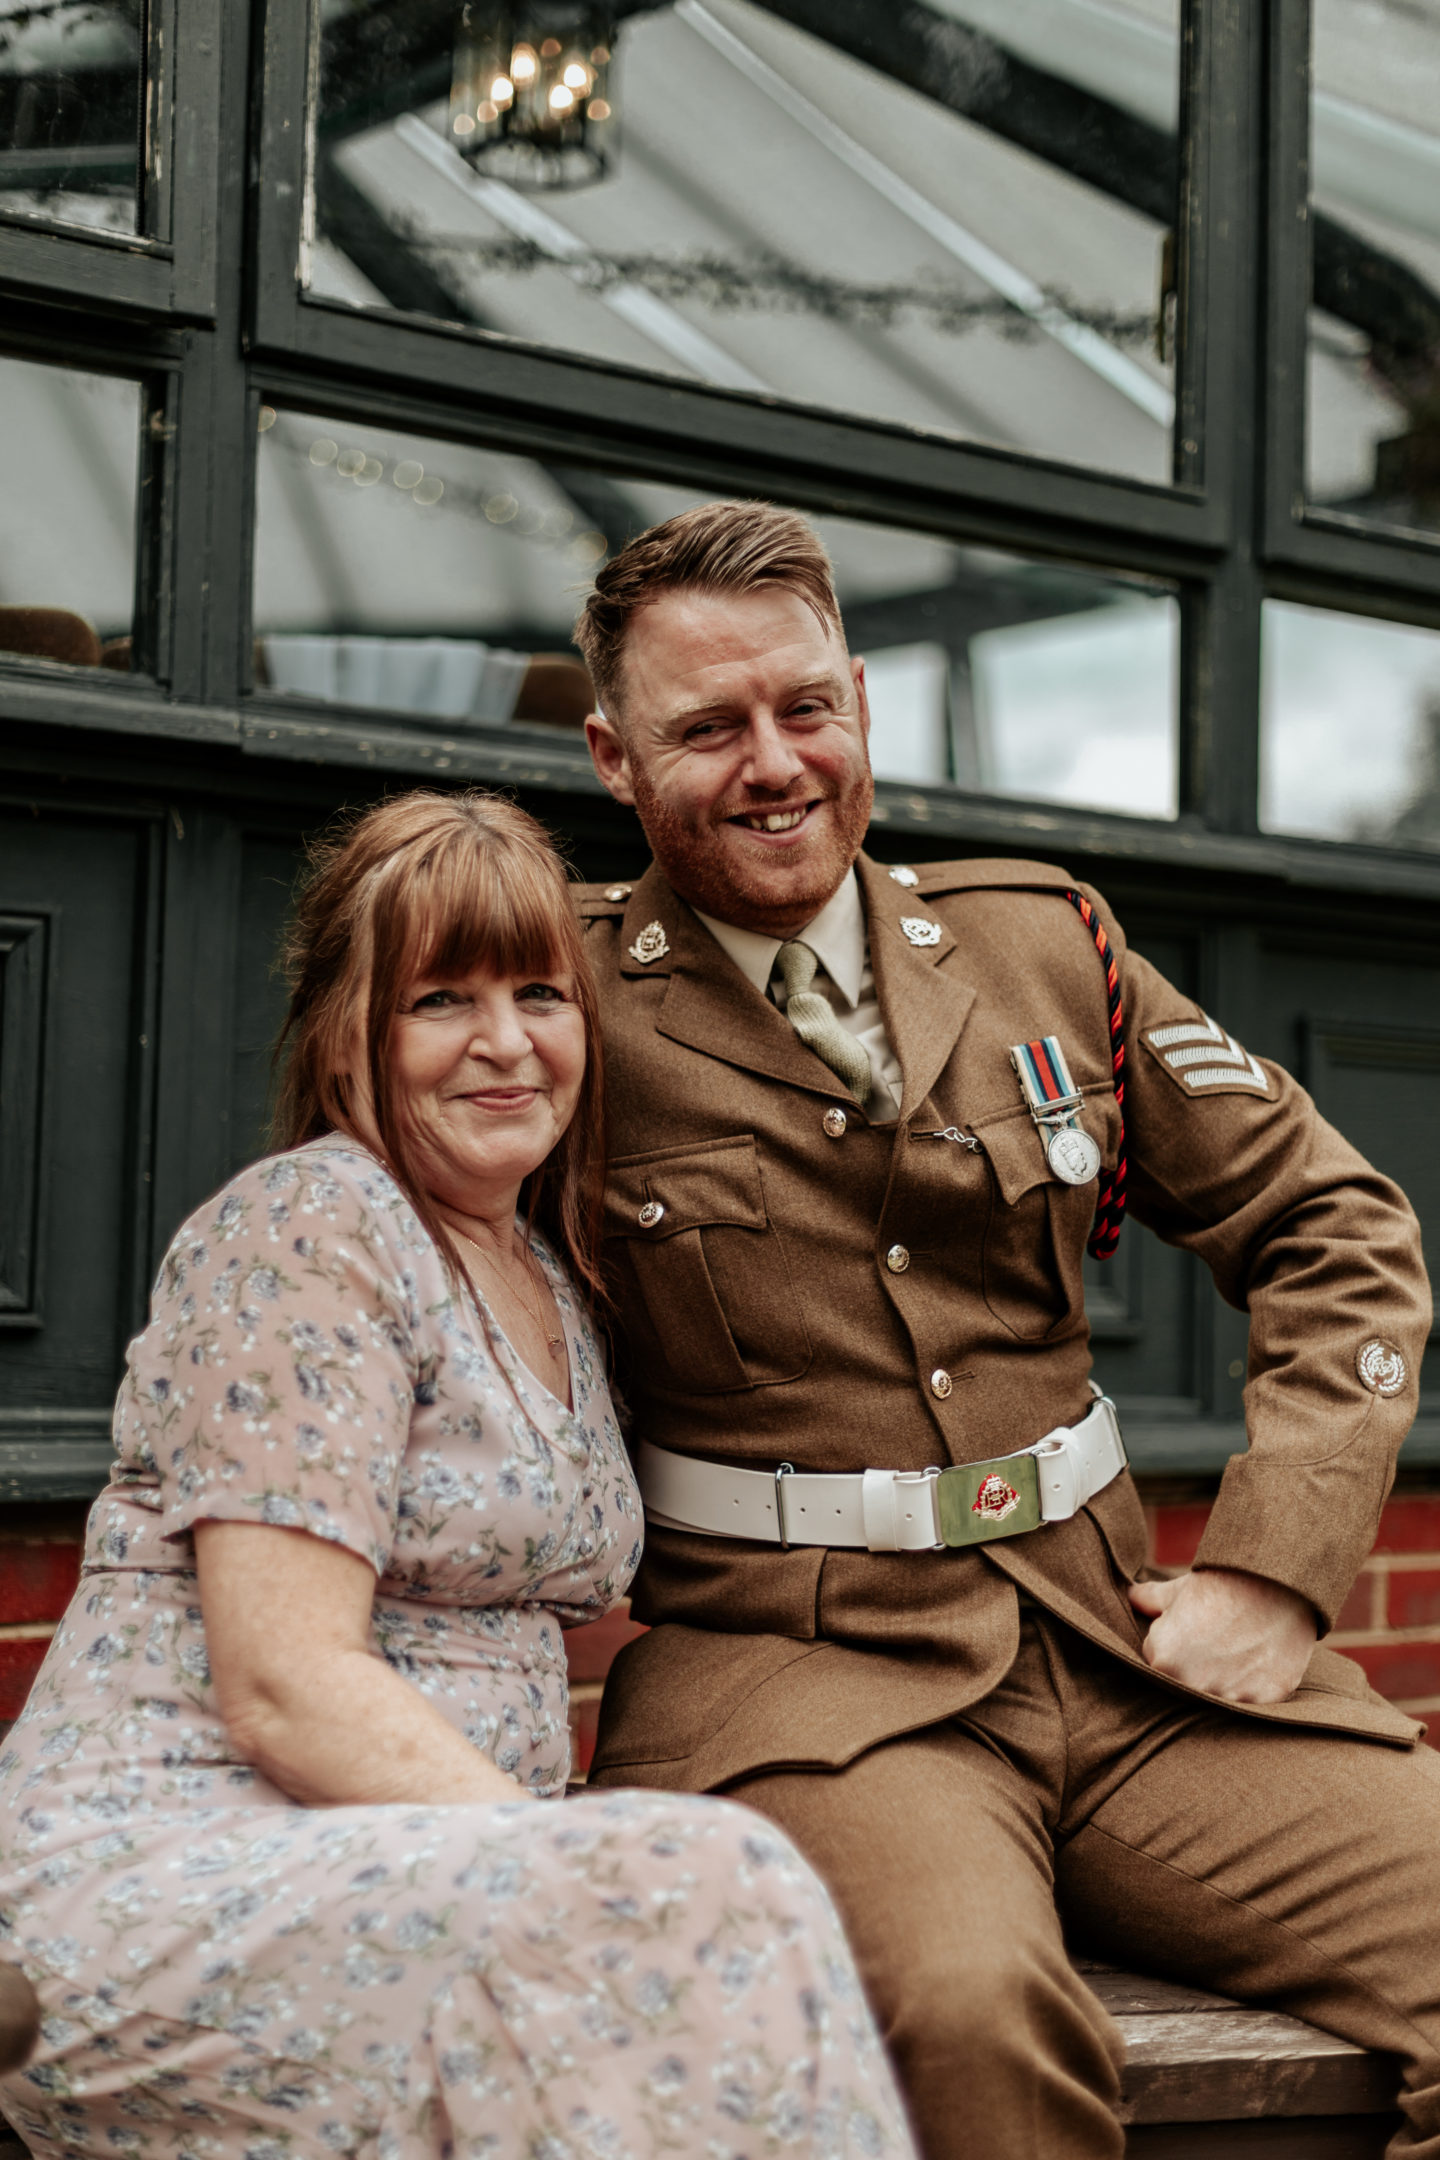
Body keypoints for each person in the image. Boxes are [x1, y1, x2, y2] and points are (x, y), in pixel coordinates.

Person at [568, 499, 1440, 2160]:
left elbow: (1335, 1224)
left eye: (806, 708)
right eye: (708, 728)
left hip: (1122, 1643)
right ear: (618, 759)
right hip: (802, 1680)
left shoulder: (1044, 944)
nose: (773, 762)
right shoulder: (562, 1007)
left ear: (862, 702)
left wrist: (1277, 1564)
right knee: (974, 2028)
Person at [0, 791, 917, 2160]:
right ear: (346, 1036)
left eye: (540, 991)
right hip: (181, 1878)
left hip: (418, 1887)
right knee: (698, 1889)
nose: (505, 1043)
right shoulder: (312, 1229)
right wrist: (563, 1868)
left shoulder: (545, 1265)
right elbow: (285, 1684)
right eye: (441, 999)